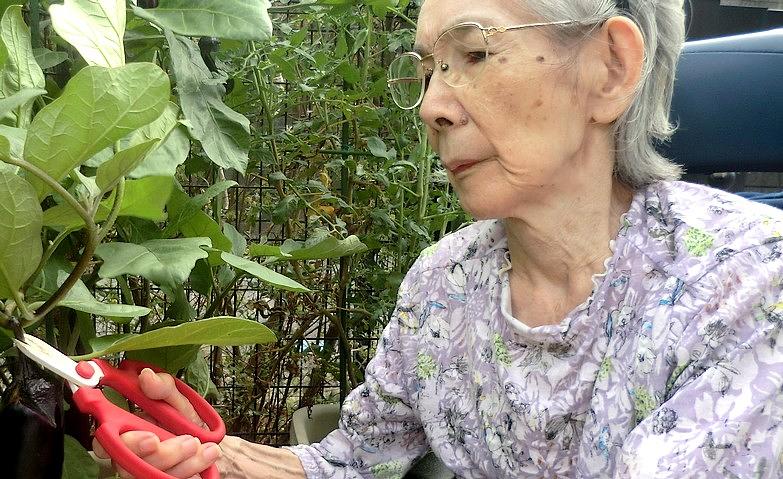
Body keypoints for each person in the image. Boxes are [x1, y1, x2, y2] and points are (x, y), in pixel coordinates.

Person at [95, 0, 783, 477]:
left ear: (608, 67)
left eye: (475, 53)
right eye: (427, 69)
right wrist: (218, 458)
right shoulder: (444, 284)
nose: (431, 105)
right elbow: (352, 463)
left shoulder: (748, 282)